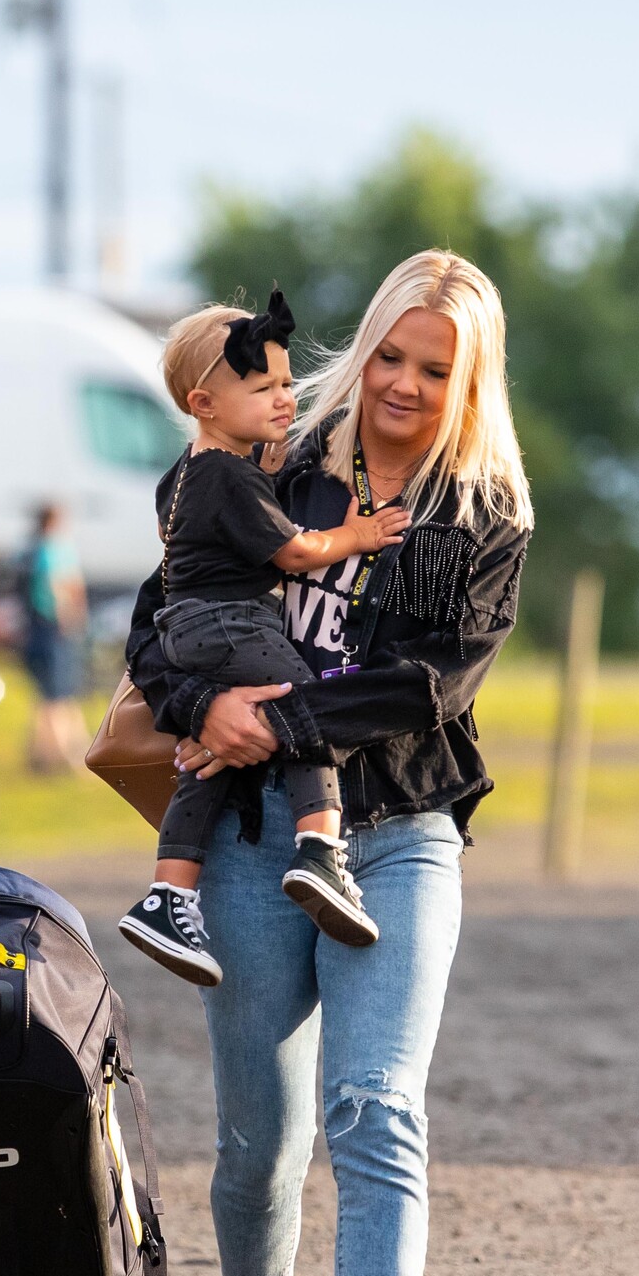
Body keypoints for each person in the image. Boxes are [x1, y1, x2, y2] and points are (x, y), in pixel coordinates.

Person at [125, 250, 532, 1276]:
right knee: (264, 1132)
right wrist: (209, 707)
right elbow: (159, 624)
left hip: (401, 830)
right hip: (250, 833)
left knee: (378, 1107)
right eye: (394, 357)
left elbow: (426, 685)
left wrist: (277, 723)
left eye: (437, 368)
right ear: (365, 349)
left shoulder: (485, 519)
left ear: (473, 381)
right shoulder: (268, 466)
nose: (406, 385)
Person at [117, 289, 411, 986]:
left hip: (185, 631)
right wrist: (360, 534)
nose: (285, 399)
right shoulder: (228, 475)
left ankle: (169, 893)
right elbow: (295, 553)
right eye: (263, 388)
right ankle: (318, 849)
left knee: (214, 757)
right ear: (204, 404)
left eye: (285, 383)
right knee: (303, 704)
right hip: (232, 623)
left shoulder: (183, 477)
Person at [19, 501, 90, 772]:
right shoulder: (56, 549)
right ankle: (68, 758)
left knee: (48, 693)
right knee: (58, 694)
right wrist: (71, 617)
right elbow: (61, 585)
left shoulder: (31, 548)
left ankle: (42, 754)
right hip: (55, 627)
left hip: (36, 627)